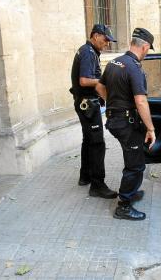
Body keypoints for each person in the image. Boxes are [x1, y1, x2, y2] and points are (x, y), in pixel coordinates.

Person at [96, 28, 156, 220]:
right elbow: (140, 101)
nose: (147, 52)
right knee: (136, 165)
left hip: (115, 120)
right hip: (125, 123)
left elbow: (99, 86)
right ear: (145, 47)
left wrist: (112, 104)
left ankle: (131, 191)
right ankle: (123, 205)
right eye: (148, 49)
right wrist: (151, 128)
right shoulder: (134, 67)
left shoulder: (115, 62)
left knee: (132, 158)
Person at [70, 24, 117, 199]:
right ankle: (97, 185)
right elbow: (84, 80)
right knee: (97, 143)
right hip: (87, 104)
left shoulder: (88, 51)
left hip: (84, 103)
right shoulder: (88, 52)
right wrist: (103, 81)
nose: (107, 44)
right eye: (105, 39)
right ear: (96, 36)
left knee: (88, 139)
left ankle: (85, 176)